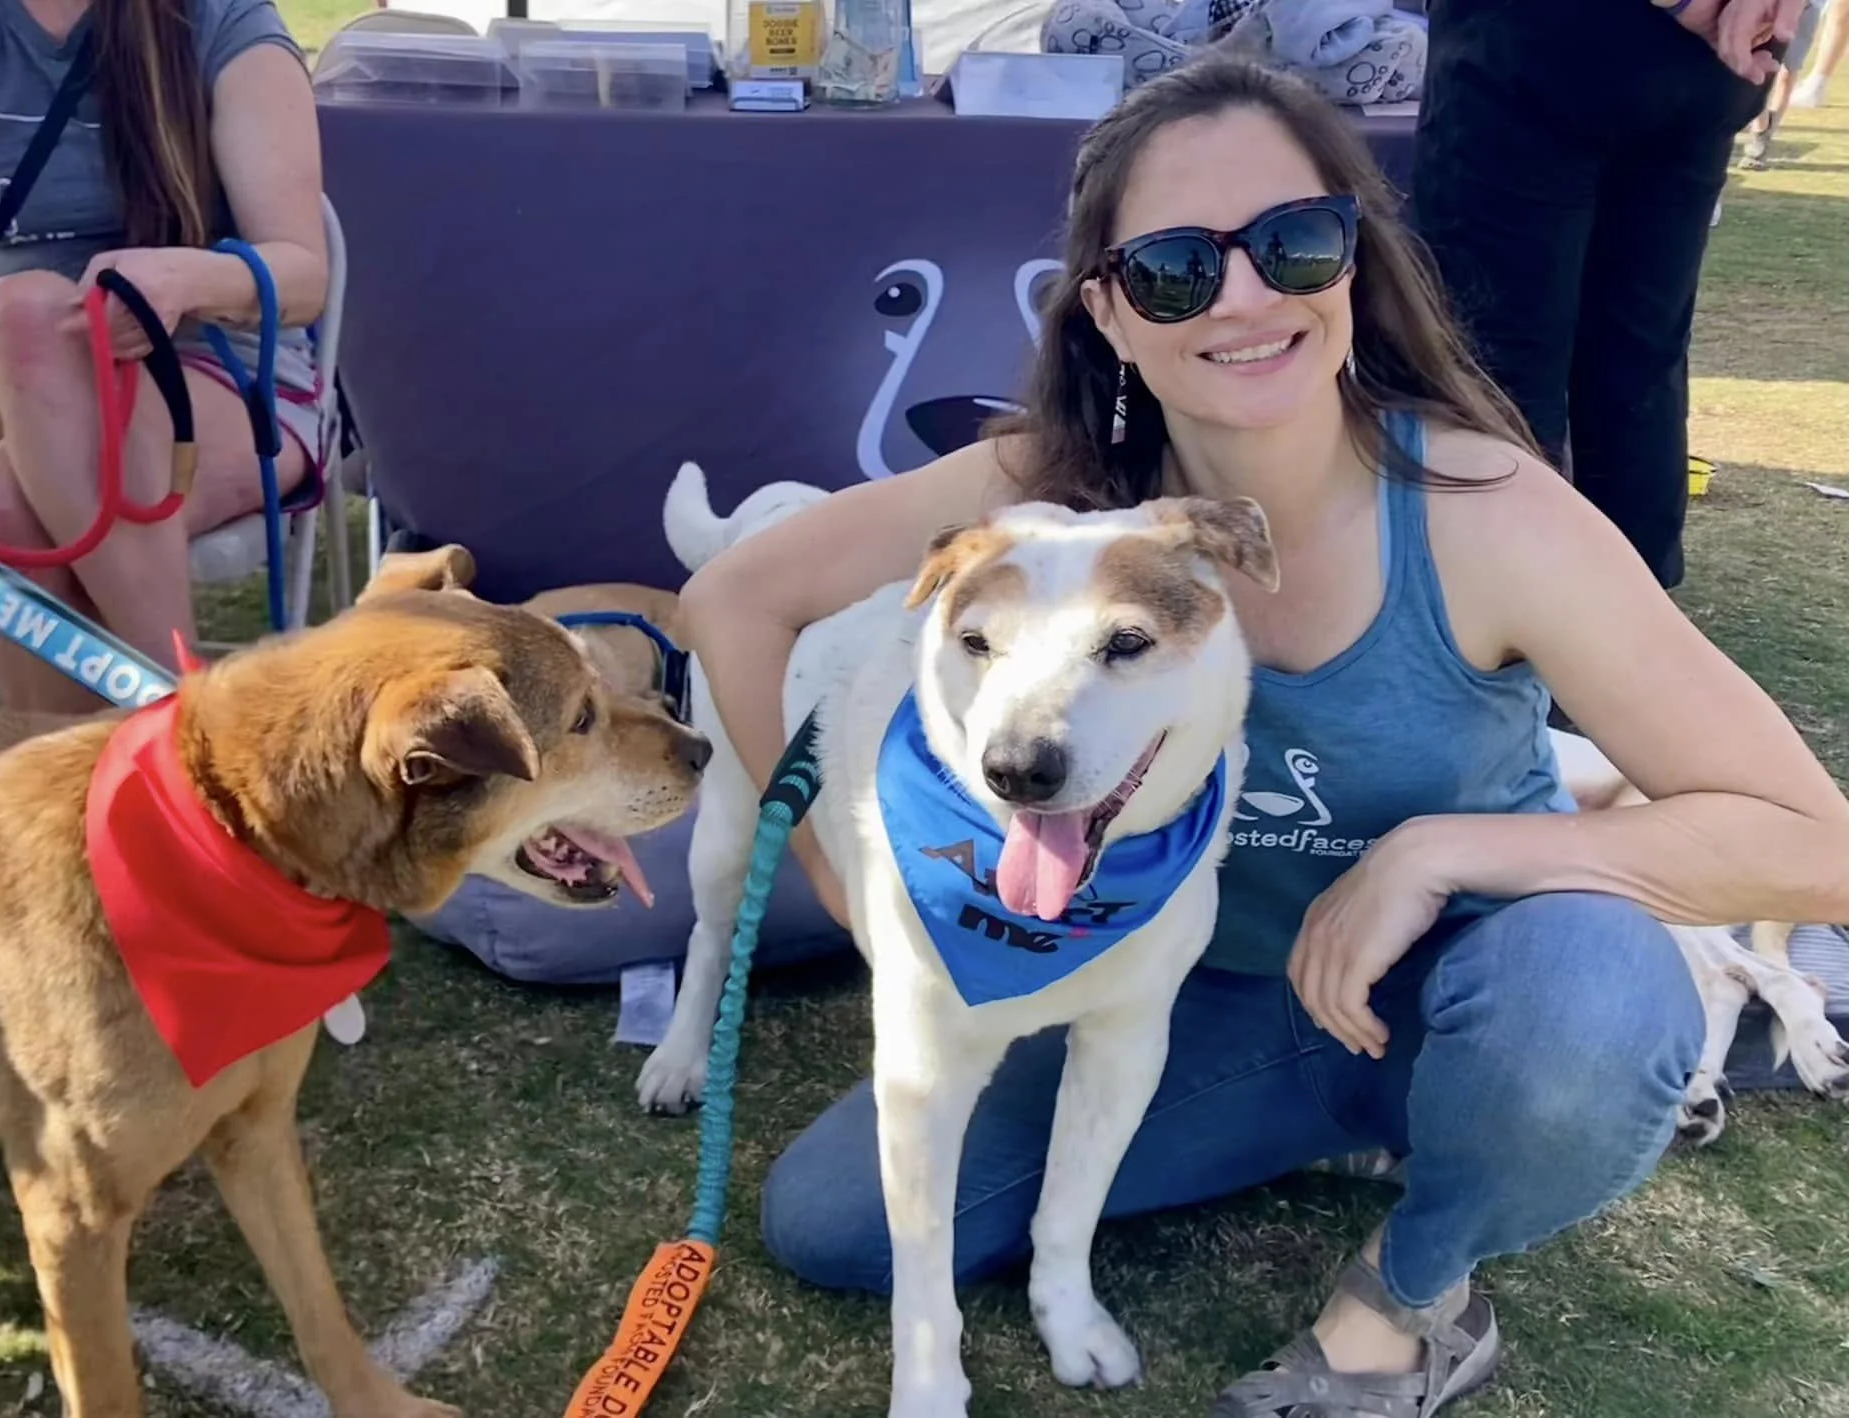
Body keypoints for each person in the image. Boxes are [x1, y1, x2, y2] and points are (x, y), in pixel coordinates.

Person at [677, 55, 1849, 1418]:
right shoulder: (1053, 498)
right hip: (1189, 1001)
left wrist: (1432, 849)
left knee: (1592, 999)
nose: (1244, 298)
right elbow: (732, 598)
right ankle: (1341, 1134)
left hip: (1462, 990)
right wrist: (817, 856)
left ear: (1355, 258)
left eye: (1296, 244)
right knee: (835, 1224)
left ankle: (1407, 1297)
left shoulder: (1487, 513)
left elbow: (1817, 843)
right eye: (1176, 269)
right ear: (1107, 312)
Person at [0, 0, 327, 712]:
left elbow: (301, 275)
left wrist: (183, 279)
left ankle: (77, 803)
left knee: (1, 505)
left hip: (206, 374)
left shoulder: (219, 21)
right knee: (34, 314)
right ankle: (184, 723)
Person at [1407, 0, 1808, 592]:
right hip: (1696, 54)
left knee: (1496, 367)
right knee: (1638, 358)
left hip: (1552, 45)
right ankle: (1628, 625)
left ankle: (1512, 628)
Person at [1741, 0, 1843, 167]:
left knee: (1788, 70)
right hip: (1772, 5)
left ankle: (1762, 136)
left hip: (1807, 8)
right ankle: (1761, 126)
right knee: (1760, 68)